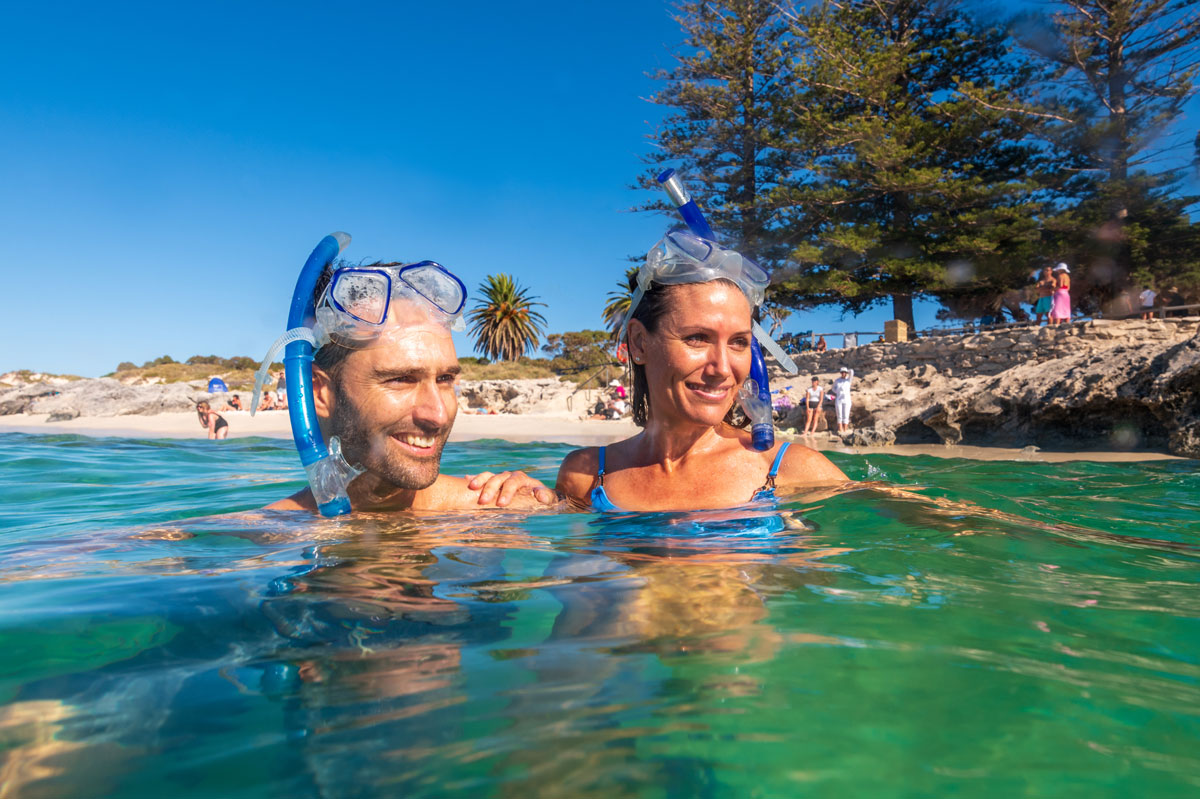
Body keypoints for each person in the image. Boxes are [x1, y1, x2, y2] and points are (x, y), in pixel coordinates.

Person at [555, 230, 847, 512]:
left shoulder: (794, 471)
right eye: (697, 338)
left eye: (738, 342)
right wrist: (528, 512)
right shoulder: (586, 476)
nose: (722, 369)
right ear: (640, 342)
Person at [265, 252, 554, 513]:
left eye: (445, 379)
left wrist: (554, 499)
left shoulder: (502, 512)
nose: (438, 415)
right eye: (401, 379)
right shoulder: (263, 538)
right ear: (319, 392)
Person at [832, 367, 854, 436]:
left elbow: (852, 371)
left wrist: (847, 370)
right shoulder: (837, 380)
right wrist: (838, 392)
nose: (843, 373)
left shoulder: (848, 380)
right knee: (839, 415)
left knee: (846, 415)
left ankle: (845, 429)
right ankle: (840, 429)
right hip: (839, 399)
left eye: (844, 372)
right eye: (842, 372)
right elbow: (833, 388)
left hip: (847, 400)